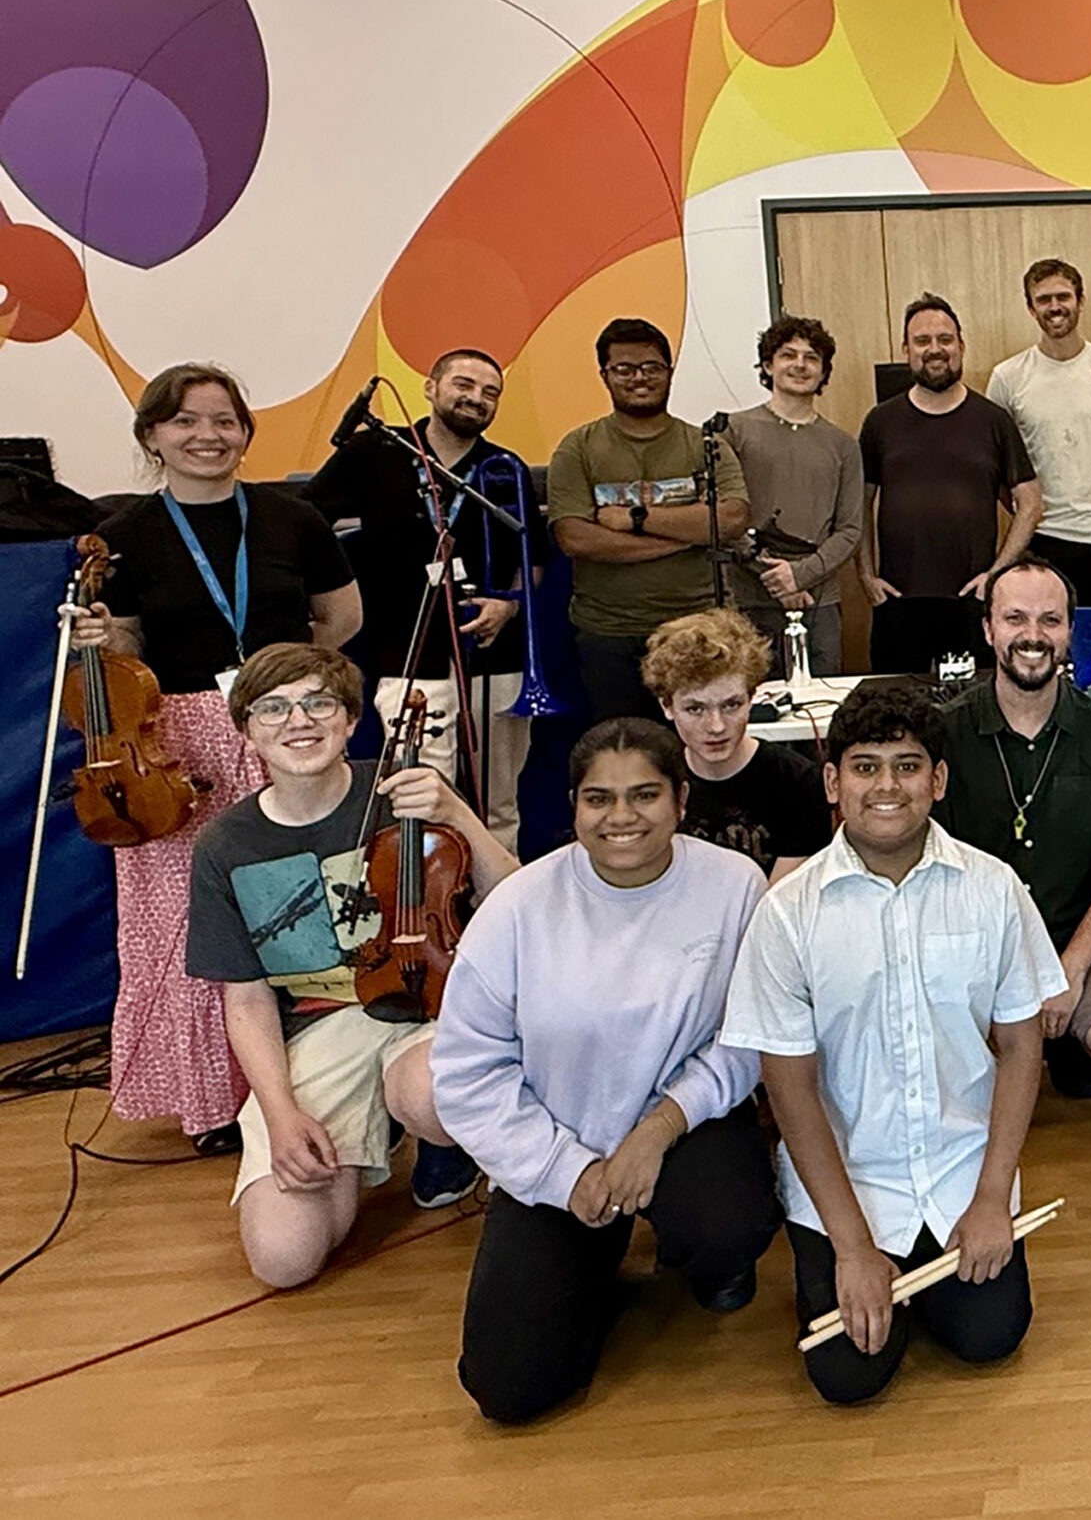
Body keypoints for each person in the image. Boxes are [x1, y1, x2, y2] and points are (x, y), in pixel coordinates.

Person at [721, 683, 1066, 1404]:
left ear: (938, 780)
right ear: (832, 781)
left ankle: (920, 1280)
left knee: (991, 1336)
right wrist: (850, 1245)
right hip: (848, 1183)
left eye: (908, 765)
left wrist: (991, 1198)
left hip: (958, 1171)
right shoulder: (787, 913)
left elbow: (1022, 1048)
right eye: (865, 766)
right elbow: (790, 1089)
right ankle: (843, 1264)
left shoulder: (993, 888)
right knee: (847, 1375)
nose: (887, 786)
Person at [435, 718, 781, 1423]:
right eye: (598, 798)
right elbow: (470, 1075)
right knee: (510, 1389)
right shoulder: (518, 907)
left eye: (644, 794)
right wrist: (570, 1174)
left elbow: (748, 1037)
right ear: (574, 807)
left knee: (727, 1220)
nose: (621, 816)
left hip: (683, 1128)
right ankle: (596, 1244)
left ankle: (705, 1258)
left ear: (682, 800)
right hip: (557, 1145)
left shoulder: (733, 885)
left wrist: (655, 1130)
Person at [70, 364, 361, 1153]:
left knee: (299, 897)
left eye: (225, 420)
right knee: (187, 921)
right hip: (174, 743)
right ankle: (210, 1099)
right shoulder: (124, 534)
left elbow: (341, 615)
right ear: (153, 435)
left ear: (245, 430)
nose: (208, 436)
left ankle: (320, 1074)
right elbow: (129, 648)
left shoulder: (291, 517)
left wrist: (282, 690)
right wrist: (103, 645)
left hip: (282, 721)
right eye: (187, 421)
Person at [185, 643, 513, 1285]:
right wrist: (281, 1117)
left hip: (424, 1007)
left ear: (351, 719)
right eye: (273, 708)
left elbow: (518, 901)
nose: (298, 721)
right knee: (284, 1260)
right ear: (247, 730)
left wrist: (457, 814)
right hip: (320, 1028)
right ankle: (369, 1140)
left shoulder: (403, 795)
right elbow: (247, 1001)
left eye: (318, 703)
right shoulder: (226, 844)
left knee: (433, 1098)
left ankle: (442, 1143)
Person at [936, 557, 1091, 1099]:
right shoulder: (945, 735)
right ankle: (1018, 1041)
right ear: (989, 629)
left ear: (1069, 632)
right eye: (1016, 619)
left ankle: (1071, 1042)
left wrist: (1070, 970)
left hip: (1074, 940)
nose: (1033, 636)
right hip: (975, 949)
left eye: (1050, 620)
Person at [300, 347, 546, 853]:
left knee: (499, 805)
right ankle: (435, 907)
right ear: (431, 389)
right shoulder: (374, 453)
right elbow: (305, 526)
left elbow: (533, 559)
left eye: (489, 392)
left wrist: (511, 604)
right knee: (423, 800)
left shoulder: (506, 467)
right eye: (463, 384)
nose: (476, 398)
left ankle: (499, 904)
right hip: (405, 656)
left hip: (493, 660)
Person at [548, 317, 749, 721]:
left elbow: (731, 519)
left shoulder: (706, 445)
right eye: (624, 369)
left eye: (651, 367)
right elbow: (576, 539)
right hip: (608, 634)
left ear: (669, 372)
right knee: (625, 752)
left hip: (698, 628)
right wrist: (688, 534)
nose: (639, 378)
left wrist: (636, 518)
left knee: (701, 748)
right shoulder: (577, 447)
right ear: (605, 375)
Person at [858, 294, 1043, 676]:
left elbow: (1030, 503)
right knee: (895, 715)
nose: (935, 349)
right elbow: (857, 504)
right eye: (922, 341)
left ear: (961, 345)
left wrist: (997, 575)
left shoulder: (993, 421)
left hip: (972, 604)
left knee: (971, 720)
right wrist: (865, 575)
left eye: (945, 339)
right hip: (897, 603)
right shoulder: (880, 422)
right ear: (906, 349)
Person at [988, 259, 1091, 607]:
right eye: (1044, 299)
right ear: (1030, 308)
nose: (1055, 307)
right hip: (1044, 539)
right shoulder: (1007, 378)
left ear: (1080, 300)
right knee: (1049, 650)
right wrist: (1028, 515)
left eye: (1063, 296)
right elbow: (1000, 473)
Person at [721, 314, 866, 678]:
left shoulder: (843, 445)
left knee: (822, 712)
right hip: (748, 600)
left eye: (811, 357)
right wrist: (775, 579)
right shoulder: (733, 432)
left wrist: (800, 576)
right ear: (768, 365)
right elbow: (723, 517)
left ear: (823, 371)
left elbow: (850, 529)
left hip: (819, 602)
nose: (800, 365)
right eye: (788, 355)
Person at [642, 607, 834, 880]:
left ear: (752, 697)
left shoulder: (796, 781)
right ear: (667, 706)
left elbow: (778, 903)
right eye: (695, 709)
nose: (716, 726)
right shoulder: (653, 780)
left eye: (731, 705)